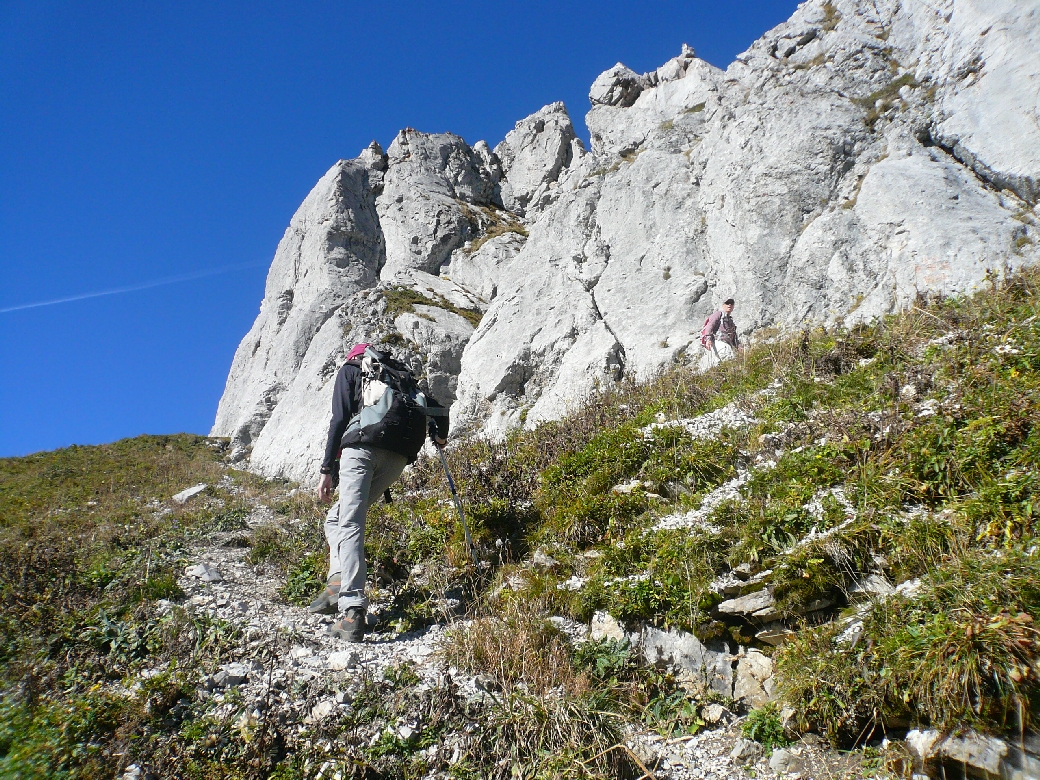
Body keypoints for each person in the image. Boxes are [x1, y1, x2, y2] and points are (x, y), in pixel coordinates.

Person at [311, 343, 449, 642]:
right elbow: (439, 409)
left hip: (363, 447)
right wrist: (439, 436)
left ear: (354, 357)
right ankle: (338, 578)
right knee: (337, 518)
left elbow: (340, 418)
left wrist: (326, 470)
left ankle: (352, 608)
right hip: (398, 456)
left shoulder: (351, 370)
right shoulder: (402, 379)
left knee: (349, 522)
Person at [700, 298, 740, 368]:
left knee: (724, 365)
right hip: (718, 343)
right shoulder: (719, 314)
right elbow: (710, 325)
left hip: (727, 345)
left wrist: (739, 347)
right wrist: (708, 339)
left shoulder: (730, 321)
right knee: (730, 363)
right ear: (723, 305)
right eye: (727, 303)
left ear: (733, 306)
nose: (729, 304)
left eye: (731, 303)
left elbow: (734, 338)